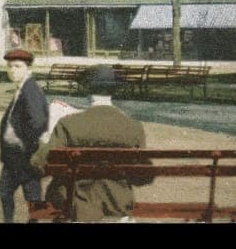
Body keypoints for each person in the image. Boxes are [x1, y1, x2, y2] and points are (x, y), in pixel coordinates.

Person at [30, 65, 150, 221]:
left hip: (74, 203)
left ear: (87, 89)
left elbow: (40, 165)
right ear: (114, 91)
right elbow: (143, 177)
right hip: (118, 203)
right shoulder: (134, 127)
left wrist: (43, 141)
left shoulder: (69, 123)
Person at [0, 48, 48, 223]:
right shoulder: (23, 88)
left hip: (24, 155)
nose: (12, 70)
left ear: (29, 69)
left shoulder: (30, 90)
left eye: (18, 66)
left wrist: (26, 144)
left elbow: (39, 122)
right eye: (10, 66)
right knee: (6, 192)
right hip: (14, 155)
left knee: (31, 197)